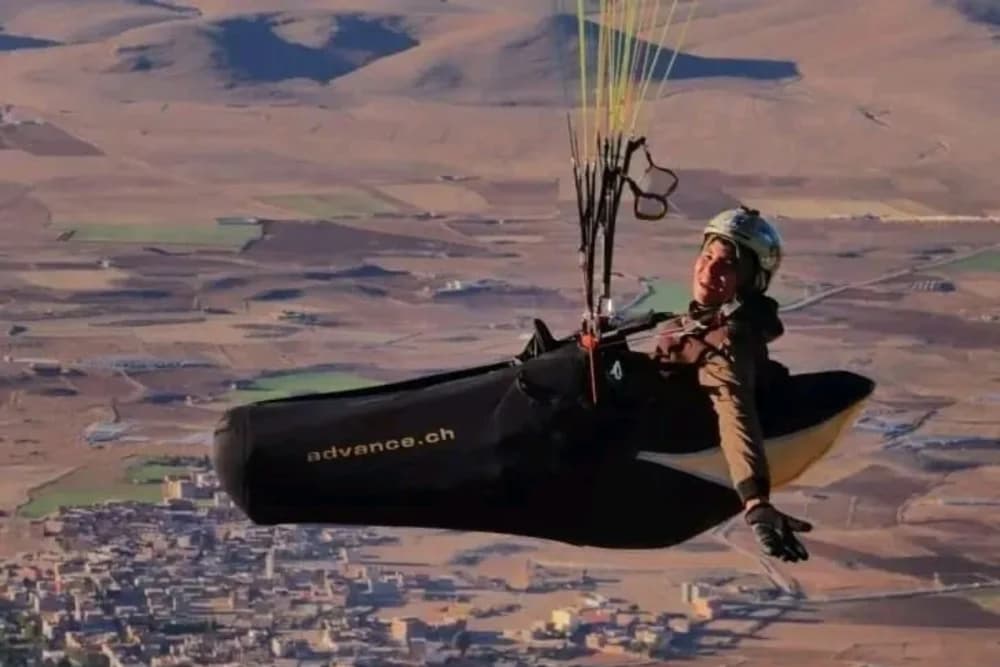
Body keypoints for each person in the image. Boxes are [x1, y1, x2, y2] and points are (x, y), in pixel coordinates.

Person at [650, 206, 813, 562]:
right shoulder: (690, 327)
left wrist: (755, 500)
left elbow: (732, 406)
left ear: (750, 282)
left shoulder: (727, 341)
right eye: (707, 256)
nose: (709, 270)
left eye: (727, 264)